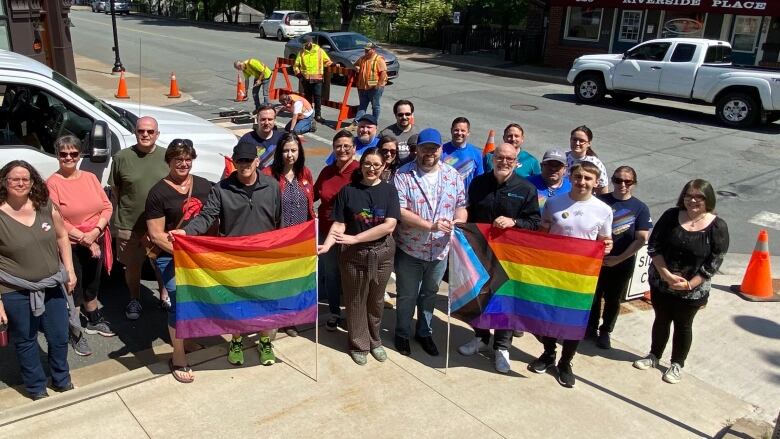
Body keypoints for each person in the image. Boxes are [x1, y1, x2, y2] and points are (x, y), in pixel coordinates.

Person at [171, 142, 281, 367]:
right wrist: (186, 231)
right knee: (237, 304)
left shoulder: (271, 186)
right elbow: (206, 217)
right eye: (240, 161)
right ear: (234, 162)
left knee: (265, 302)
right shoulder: (221, 189)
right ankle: (237, 341)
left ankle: (265, 341)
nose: (244, 166)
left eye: (248, 161)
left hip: (264, 256)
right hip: (234, 258)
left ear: (257, 162)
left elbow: (279, 221)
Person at [633, 179, 729, 384]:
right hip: (661, 282)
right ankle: (653, 355)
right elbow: (654, 246)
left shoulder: (717, 226)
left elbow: (714, 261)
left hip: (692, 290)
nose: (692, 200)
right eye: (688, 195)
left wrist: (689, 284)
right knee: (661, 319)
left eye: (699, 197)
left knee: (683, 325)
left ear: (708, 199)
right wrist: (666, 275)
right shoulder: (671, 216)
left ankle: (677, 364)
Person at [528, 161, 613, 388]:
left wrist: (607, 246)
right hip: (552, 272)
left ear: (596, 183)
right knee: (548, 315)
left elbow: (605, 240)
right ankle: (548, 353)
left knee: (574, 320)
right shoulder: (554, 203)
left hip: (581, 276)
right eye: (578, 177)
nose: (582, 182)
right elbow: (543, 233)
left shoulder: (603, 210)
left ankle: (566, 362)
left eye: (587, 178)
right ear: (571, 178)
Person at [458, 143, 541, 373]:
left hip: (510, 256)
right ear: (493, 158)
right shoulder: (479, 183)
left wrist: (515, 222)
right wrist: (459, 223)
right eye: (500, 157)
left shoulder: (526, 189)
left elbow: (534, 223)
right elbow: (468, 209)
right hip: (480, 251)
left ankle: (502, 347)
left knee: (505, 300)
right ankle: (481, 338)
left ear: (516, 162)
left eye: (509, 159)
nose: (504, 162)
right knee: (480, 295)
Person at [0, 160, 76, 400]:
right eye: (15, 179)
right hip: (13, 290)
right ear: (4, 182)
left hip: (52, 284)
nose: (21, 183)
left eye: (26, 178)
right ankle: (36, 388)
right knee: (25, 340)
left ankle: (62, 380)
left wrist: (70, 271)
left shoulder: (45, 205)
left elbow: (63, 236)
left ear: (33, 182)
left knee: (59, 336)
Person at [319, 147, 400, 365]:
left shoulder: (389, 191)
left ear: (383, 167)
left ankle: (375, 340)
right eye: (367, 164)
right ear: (361, 164)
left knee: (375, 300)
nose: (371, 168)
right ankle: (359, 343)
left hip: (381, 254)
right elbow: (339, 223)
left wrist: (356, 238)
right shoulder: (348, 191)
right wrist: (327, 245)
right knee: (355, 301)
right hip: (353, 256)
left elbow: (389, 226)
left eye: (376, 165)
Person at [393, 128, 467, 357]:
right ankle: (402, 333)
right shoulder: (403, 175)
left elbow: (461, 205)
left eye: (434, 149)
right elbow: (400, 211)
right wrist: (430, 226)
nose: (429, 153)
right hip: (410, 249)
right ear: (417, 150)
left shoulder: (453, 176)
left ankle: (424, 332)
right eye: (425, 148)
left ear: (440, 150)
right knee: (407, 295)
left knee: (430, 294)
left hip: (440, 251)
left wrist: (459, 221)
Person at [146, 139, 212, 383]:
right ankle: (178, 356)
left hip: (198, 257)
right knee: (178, 301)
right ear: (169, 162)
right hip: (169, 258)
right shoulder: (158, 193)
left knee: (193, 301)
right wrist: (183, 253)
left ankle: (188, 340)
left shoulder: (204, 185)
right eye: (177, 159)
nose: (183, 164)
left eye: (187, 159)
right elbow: (156, 235)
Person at [46, 136, 115, 358]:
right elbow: (56, 218)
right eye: (63, 154)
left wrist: (95, 233)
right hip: (71, 243)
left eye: (73, 153)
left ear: (79, 155)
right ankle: (75, 331)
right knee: (72, 287)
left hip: (95, 237)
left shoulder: (90, 178)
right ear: (57, 155)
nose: (68, 158)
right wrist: (85, 238)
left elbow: (106, 206)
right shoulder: (52, 183)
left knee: (93, 283)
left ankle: (93, 320)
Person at [108, 116, 170, 320]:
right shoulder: (122, 157)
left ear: (157, 134)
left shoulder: (167, 156)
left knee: (161, 264)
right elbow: (116, 190)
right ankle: (134, 298)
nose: (145, 134)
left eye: (150, 131)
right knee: (132, 266)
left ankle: (165, 295)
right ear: (135, 133)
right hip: (130, 224)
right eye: (141, 131)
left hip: (161, 226)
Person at [588, 166, 652, 349]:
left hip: (622, 262)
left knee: (613, 299)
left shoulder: (640, 208)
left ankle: (606, 331)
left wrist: (620, 258)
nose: (622, 184)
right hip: (596, 260)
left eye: (627, 181)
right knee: (593, 295)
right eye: (617, 180)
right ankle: (590, 327)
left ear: (634, 183)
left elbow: (641, 238)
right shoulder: (600, 201)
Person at [262, 132, 315, 337]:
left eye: (293, 150)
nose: (289, 155)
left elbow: (310, 201)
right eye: (285, 150)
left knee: (294, 282)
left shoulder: (306, 173)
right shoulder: (269, 174)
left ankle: (290, 319)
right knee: (276, 282)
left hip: (300, 240)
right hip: (279, 240)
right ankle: (273, 319)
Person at [314, 131, 360, 331]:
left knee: (352, 275)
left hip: (352, 233)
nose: (342, 150)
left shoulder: (359, 171)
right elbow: (313, 195)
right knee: (331, 274)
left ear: (354, 148)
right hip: (326, 232)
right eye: (338, 146)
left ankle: (354, 313)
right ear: (333, 148)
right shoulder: (326, 171)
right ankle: (334, 311)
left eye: (347, 146)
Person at [293, 35, 332, 123]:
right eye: (304, 44)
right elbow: (296, 65)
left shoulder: (319, 51)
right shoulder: (302, 52)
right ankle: (309, 115)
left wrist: (333, 64)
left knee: (318, 97)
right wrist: (299, 75)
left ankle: (318, 115)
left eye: (306, 43)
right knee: (308, 98)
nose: (305, 45)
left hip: (317, 79)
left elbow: (327, 61)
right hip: (306, 80)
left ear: (311, 42)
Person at [441, 117, 484, 190]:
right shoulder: (441, 151)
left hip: (468, 199)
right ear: (451, 130)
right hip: (446, 197)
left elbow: (480, 180)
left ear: (468, 133)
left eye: (463, 130)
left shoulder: (476, 153)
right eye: (456, 130)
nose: (459, 133)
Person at [237, 104, 284, 169]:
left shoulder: (282, 139)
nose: (266, 123)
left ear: (274, 120)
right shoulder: (246, 140)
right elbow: (239, 165)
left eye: (270, 119)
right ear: (257, 119)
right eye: (263, 119)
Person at [567, 125, 609, 194]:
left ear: (589, 143)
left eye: (581, 141)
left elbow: (603, 190)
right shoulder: (562, 158)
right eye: (574, 139)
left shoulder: (596, 163)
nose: (577, 143)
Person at [353, 42, 387, 122]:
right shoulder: (362, 58)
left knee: (375, 106)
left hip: (374, 87)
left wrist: (378, 84)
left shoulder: (378, 59)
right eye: (365, 50)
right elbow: (355, 65)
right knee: (362, 106)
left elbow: (383, 72)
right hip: (362, 87)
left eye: (368, 50)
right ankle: (356, 122)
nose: (366, 51)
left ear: (373, 50)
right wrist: (356, 67)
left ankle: (374, 122)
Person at [380, 99, 418, 164]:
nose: (404, 117)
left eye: (407, 114)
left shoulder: (418, 132)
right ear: (395, 115)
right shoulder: (385, 134)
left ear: (412, 114)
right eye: (400, 114)